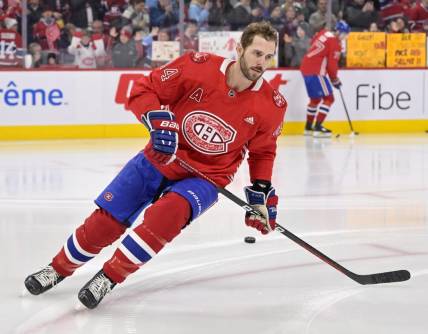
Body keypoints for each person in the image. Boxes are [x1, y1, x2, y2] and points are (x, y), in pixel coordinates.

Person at [24, 21, 286, 310]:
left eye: (268, 56)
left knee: (166, 215)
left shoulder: (272, 105)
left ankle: (109, 277)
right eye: (256, 53)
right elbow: (143, 90)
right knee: (105, 223)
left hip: (207, 177)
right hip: (162, 157)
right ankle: (58, 268)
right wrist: (156, 120)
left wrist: (261, 191)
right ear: (239, 49)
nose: (262, 63)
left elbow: (263, 152)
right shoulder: (197, 66)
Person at [300, 20, 350, 138]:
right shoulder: (335, 43)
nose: (344, 37)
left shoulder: (323, 33)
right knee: (329, 98)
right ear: (339, 32)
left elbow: (313, 42)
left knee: (315, 100)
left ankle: (308, 128)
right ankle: (318, 127)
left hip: (306, 68)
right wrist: (335, 79)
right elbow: (332, 65)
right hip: (316, 71)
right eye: (345, 34)